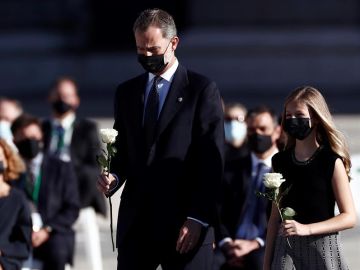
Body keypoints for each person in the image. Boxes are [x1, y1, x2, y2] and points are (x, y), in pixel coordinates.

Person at [97, 8, 224, 270]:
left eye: (153, 50)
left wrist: (198, 218)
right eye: (140, 50)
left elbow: (211, 161)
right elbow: (123, 152)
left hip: (184, 225)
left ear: (173, 43)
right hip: (138, 224)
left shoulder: (200, 90)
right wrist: (113, 177)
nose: (146, 56)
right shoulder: (127, 93)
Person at [263, 86, 357, 270]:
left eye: (298, 114)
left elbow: (349, 217)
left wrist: (306, 229)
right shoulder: (279, 161)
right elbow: (274, 218)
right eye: (288, 115)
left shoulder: (330, 161)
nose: (292, 120)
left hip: (322, 249)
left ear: (315, 118)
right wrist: (267, 264)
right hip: (286, 249)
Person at [42, 76, 106, 270]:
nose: (63, 100)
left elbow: (95, 165)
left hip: (80, 198)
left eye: (67, 96)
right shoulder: (42, 128)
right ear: (50, 97)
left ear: (76, 100)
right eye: (59, 95)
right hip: (47, 200)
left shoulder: (86, 128)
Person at [215, 106, 280, 270]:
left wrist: (255, 244)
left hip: (266, 244)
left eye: (263, 129)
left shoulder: (286, 168)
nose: (257, 134)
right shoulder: (232, 168)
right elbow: (218, 210)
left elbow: (286, 218)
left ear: (277, 131)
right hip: (232, 243)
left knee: (259, 262)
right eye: (251, 129)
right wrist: (226, 243)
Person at [12, 114, 80, 270]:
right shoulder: (10, 172)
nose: (30, 141)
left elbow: (72, 208)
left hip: (52, 232)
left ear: (41, 137)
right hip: (19, 233)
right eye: (24, 137)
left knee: (57, 250)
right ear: (15, 141)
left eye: (34, 136)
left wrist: (47, 230)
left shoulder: (61, 167)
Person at [0, 139, 32, 270]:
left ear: (7, 161)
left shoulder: (17, 199)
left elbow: (23, 243)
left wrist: (3, 250)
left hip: (5, 259)